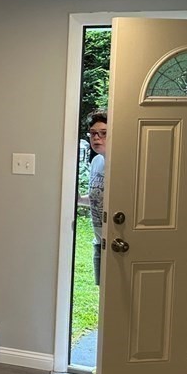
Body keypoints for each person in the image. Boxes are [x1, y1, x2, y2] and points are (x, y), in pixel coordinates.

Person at [86, 110, 107, 285]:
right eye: (93, 133)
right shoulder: (96, 161)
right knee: (103, 293)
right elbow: (96, 198)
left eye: (103, 133)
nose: (97, 138)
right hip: (99, 242)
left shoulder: (122, 164)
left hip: (115, 244)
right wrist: (77, 199)